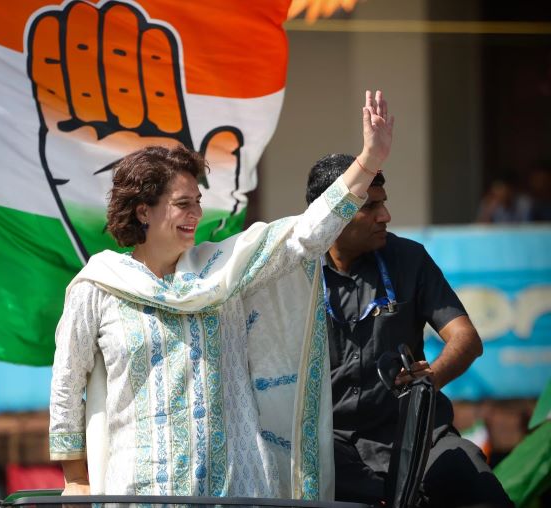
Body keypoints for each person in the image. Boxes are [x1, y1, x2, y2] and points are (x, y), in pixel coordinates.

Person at [49, 90, 395, 499]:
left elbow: (304, 234)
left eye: (197, 202)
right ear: (144, 211)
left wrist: (368, 161)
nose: (195, 214)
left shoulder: (226, 270)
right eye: (182, 204)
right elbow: (67, 385)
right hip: (142, 491)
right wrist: (75, 479)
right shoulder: (99, 286)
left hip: (236, 488)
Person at [305, 153, 514, 506]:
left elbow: (466, 339)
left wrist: (430, 378)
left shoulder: (410, 259)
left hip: (418, 435)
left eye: (383, 204)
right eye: (369, 207)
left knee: (476, 484)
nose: (384, 216)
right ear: (330, 216)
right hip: (331, 444)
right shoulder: (292, 273)